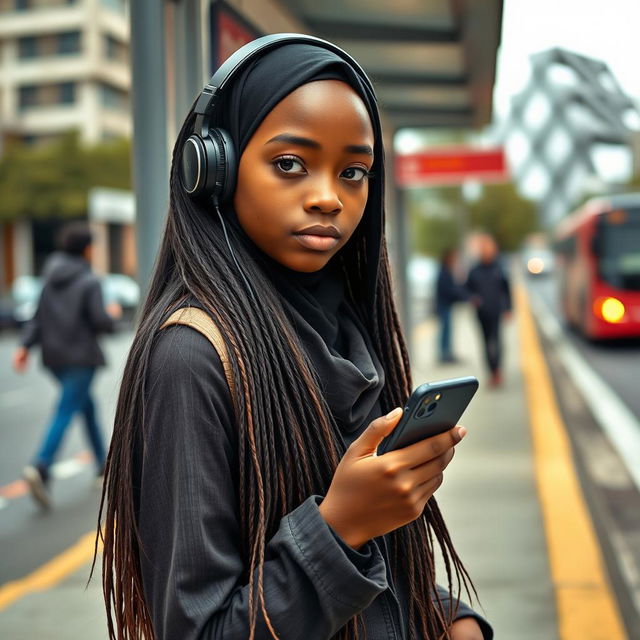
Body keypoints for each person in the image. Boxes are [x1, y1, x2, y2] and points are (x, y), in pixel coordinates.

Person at [97, 35, 493, 640]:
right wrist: (339, 528)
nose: (329, 197)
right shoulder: (193, 356)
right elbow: (200, 630)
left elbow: (373, 574)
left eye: (354, 171)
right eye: (290, 164)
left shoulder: (341, 327)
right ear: (213, 170)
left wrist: (445, 615)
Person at [12, 222, 121, 508]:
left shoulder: (49, 279)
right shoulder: (89, 281)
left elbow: (37, 317)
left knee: (86, 407)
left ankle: (103, 465)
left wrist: (24, 346)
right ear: (87, 249)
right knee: (67, 409)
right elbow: (101, 322)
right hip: (81, 358)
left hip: (54, 359)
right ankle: (41, 466)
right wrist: (112, 314)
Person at [465, 234, 512, 387]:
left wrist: (508, 308)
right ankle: (491, 371)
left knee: (497, 341)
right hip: (481, 313)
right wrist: (473, 298)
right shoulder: (474, 270)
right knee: (485, 343)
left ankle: (498, 370)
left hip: (496, 310)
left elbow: (506, 289)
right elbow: (467, 289)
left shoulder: (499, 268)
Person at [434, 248, 469, 363]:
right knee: (445, 331)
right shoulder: (444, 272)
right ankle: (445, 354)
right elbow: (449, 290)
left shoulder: (446, 271)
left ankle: (447, 353)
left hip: (446, 305)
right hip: (444, 305)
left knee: (447, 330)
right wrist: (462, 296)